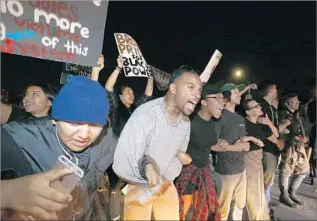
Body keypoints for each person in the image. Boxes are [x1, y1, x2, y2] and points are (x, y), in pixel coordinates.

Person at [1, 76, 118, 220]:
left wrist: (147, 165)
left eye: (94, 125)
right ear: (55, 119)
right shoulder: (18, 137)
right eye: (74, 123)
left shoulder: (106, 140)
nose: (84, 135)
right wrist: (8, 192)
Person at [112, 65, 202, 220]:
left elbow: (175, 151)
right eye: (191, 87)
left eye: (199, 90)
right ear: (173, 88)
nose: (197, 95)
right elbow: (127, 158)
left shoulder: (185, 122)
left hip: (166, 184)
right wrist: (147, 168)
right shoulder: (145, 115)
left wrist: (176, 157)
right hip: (138, 184)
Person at [175, 83, 251, 221]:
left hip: (204, 173)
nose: (221, 103)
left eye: (222, 99)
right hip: (186, 175)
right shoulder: (188, 122)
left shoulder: (211, 123)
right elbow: (169, 142)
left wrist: (222, 142)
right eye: (216, 98)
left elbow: (211, 143)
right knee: (182, 213)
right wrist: (178, 153)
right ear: (203, 101)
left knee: (206, 212)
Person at [91, 55, 154, 220]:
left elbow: (148, 93)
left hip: (134, 155)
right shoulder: (115, 108)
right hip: (116, 155)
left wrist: (150, 76)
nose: (132, 95)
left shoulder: (136, 110)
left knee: (132, 186)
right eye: (127, 92)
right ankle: (115, 216)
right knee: (116, 187)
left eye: (132, 92)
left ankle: (129, 213)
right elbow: (108, 87)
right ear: (119, 97)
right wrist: (118, 68)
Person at [213, 83, 262, 221]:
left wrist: (250, 139)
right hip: (226, 170)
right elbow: (212, 143)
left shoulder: (240, 118)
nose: (239, 95)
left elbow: (239, 139)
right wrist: (236, 147)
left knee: (239, 205)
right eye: (235, 92)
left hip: (241, 168)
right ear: (226, 97)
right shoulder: (220, 116)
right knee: (222, 208)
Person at [242, 99, 279, 220]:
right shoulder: (242, 123)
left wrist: (268, 123)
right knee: (251, 192)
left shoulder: (260, 125)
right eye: (256, 106)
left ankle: (260, 215)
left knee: (258, 190)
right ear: (248, 112)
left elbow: (276, 136)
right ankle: (252, 217)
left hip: (258, 161)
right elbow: (239, 139)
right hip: (248, 159)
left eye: (258, 105)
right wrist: (252, 138)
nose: (259, 107)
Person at [257, 81, 285, 219]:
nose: (277, 91)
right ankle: (262, 210)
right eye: (276, 88)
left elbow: (274, 129)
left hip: (272, 149)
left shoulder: (270, 107)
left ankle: (265, 206)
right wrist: (277, 141)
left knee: (267, 181)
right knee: (263, 182)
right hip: (267, 149)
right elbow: (264, 129)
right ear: (272, 90)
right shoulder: (261, 106)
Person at [278, 93, 310, 208]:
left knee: (304, 170)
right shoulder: (283, 114)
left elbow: (304, 130)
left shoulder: (298, 115)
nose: (297, 103)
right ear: (287, 104)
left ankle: (292, 192)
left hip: (299, 146)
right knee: (286, 171)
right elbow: (281, 131)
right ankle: (284, 194)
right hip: (289, 146)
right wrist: (295, 137)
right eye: (294, 102)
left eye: (297, 101)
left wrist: (306, 138)